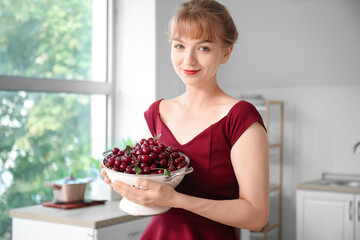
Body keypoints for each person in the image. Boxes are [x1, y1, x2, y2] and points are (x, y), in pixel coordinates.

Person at [100, 0, 269, 239]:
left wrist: (177, 200)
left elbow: (256, 217)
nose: (188, 60)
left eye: (203, 48)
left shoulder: (240, 118)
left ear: (226, 52)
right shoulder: (157, 113)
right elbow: (154, 193)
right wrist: (122, 180)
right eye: (179, 46)